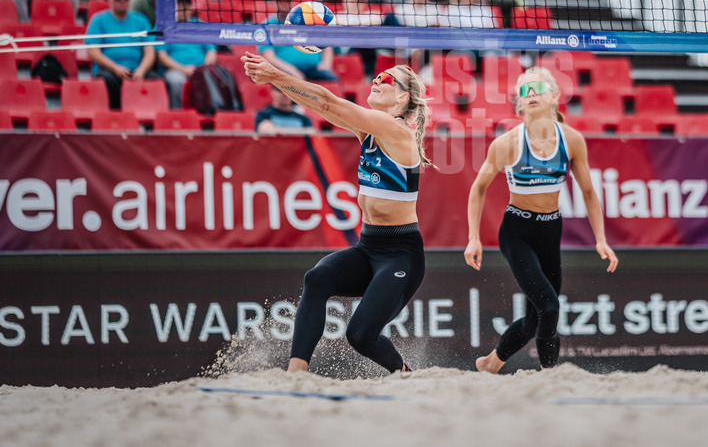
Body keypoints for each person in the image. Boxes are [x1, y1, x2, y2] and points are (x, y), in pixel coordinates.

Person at [242, 54, 431, 374]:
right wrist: (277, 81)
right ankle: (295, 373)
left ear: (402, 98)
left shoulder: (395, 129)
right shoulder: (370, 131)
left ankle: (406, 374)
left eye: (385, 79)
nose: (375, 80)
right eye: (375, 76)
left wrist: (276, 74)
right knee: (317, 279)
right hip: (369, 247)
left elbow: (330, 103)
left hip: (401, 256)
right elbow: (320, 106)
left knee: (360, 335)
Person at [464, 66, 618, 373]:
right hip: (517, 231)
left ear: (555, 97)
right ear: (518, 104)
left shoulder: (571, 140)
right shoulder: (506, 144)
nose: (531, 94)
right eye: (524, 91)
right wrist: (473, 238)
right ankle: (551, 374)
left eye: (537, 89)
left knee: (537, 316)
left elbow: (588, 192)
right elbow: (478, 188)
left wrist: (601, 238)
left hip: (551, 229)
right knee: (549, 307)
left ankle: (491, 363)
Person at [85, 0, 157, 109]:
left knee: (156, 80)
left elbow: (149, 51)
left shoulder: (141, 21)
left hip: (136, 70)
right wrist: (115, 68)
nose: (122, 0)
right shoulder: (98, 20)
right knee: (108, 81)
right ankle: (117, 118)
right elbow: (93, 52)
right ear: (110, 0)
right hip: (109, 70)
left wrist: (142, 70)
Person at [259, 0, 340, 83]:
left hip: (314, 70)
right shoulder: (267, 25)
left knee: (332, 79)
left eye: (287, 0)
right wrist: (292, 71)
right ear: (274, 2)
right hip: (284, 72)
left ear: (292, 1)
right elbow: (268, 56)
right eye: (280, 0)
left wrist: (326, 64)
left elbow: (326, 44)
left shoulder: (305, 19)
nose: (284, 3)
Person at [157, 0, 217, 109]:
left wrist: (200, 70)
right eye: (179, 5)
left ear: (190, 7)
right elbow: (162, 56)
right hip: (176, 70)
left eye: (185, 5)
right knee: (176, 81)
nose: (182, 8)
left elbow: (212, 53)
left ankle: (209, 114)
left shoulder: (201, 26)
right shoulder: (165, 26)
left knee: (212, 77)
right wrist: (184, 70)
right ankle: (177, 116)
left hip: (200, 70)